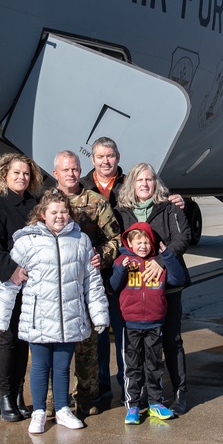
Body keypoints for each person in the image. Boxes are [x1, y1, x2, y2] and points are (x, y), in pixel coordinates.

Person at [0, 189, 109, 434]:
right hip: (39, 317)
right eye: (53, 212)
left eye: (64, 211)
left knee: (63, 365)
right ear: (42, 214)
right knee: (41, 366)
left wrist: (99, 315)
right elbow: (9, 283)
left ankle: (63, 409)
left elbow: (92, 282)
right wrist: (0, 318)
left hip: (69, 316)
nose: (59, 216)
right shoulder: (26, 242)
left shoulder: (80, 240)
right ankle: (39, 412)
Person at [79, 136, 184, 397]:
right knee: (98, 335)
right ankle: (101, 387)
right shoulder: (82, 189)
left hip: (129, 277)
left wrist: (179, 200)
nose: (106, 161)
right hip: (96, 272)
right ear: (92, 159)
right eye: (100, 156)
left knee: (129, 334)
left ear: (118, 157)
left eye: (110, 156)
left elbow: (177, 230)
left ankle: (131, 388)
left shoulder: (130, 185)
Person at [0, 152, 45, 422]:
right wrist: (10, 271)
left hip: (26, 283)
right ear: (5, 175)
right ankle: (4, 397)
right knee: (9, 338)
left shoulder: (35, 205)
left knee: (23, 339)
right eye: (17, 173)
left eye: (26, 174)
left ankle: (17, 395)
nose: (22, 178)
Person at [115, 162, 192, 415]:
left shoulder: (169, 208)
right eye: (139, 180)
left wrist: (161, 260)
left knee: (171, 341)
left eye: (149, 179)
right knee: (138, 351)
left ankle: (180, 391)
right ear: (132, 184)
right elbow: (118, 242)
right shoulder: (123, 211)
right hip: (137, 292)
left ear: (155, 183)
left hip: (166, 288)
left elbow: (184, 237)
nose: (145, 184)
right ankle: (142, 398)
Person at [51, 150, 122, 416]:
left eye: (74, 169)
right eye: (65, 170)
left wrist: (100, 257)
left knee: (88, 345)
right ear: (55, 173)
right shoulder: (47, 203)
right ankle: (54, 399)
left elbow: (116, 239)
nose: (71, 174)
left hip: (86, 285)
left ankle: (88, 397)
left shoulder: (95, 202)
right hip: (55, 287)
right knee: (53, 345)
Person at [109, 222, 186, 424]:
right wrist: (121, 270)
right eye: (138, 242)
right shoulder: (123, 261)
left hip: (154, 323)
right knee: (132, 367)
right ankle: (132, 406)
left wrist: (167, 256)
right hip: (131, 324)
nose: (143, 246)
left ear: (152, 244)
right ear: (130, 244)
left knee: (154, 366)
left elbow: (178, 279)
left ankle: (155, 403)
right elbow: (113, 286)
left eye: (146, 242)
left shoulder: (158, 263)